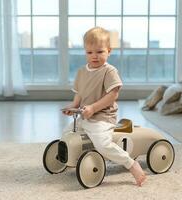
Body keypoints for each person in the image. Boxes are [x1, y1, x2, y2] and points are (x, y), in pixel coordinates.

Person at [62, 27, 146, 186]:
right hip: (85, 116)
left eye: (100, 52)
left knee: (102, 144)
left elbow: (113, 95)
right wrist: (73, 106)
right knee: (67, 134)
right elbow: (80, 93)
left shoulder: (109, 71)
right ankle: (68, 159)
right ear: (85, 52)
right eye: (90, 52)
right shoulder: (81, 72)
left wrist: (93, 108)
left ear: (109, 51)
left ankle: (131, 164)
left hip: (102, 118)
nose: (94, 56)